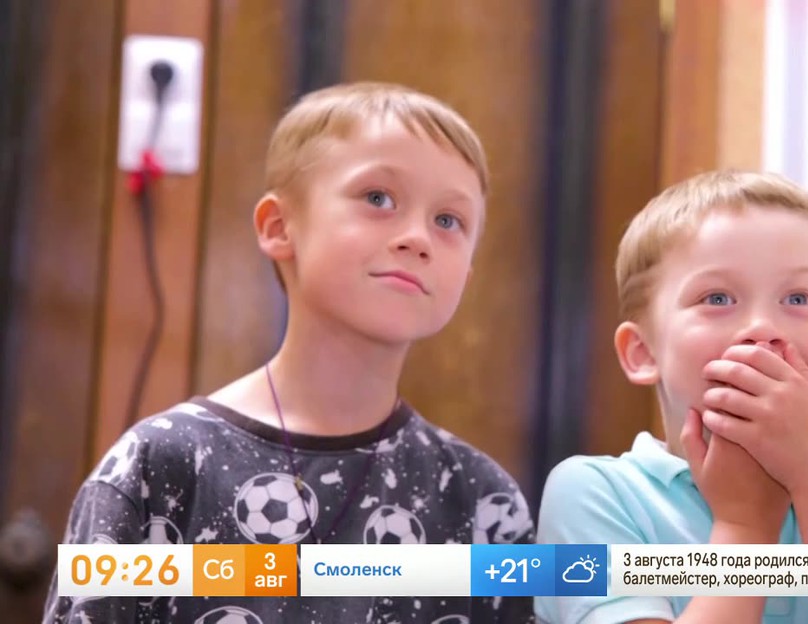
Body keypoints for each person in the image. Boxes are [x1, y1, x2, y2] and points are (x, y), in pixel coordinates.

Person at [44, 82, 535, 623]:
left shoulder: (483, 502)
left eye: (448, 221)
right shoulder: (159, 467)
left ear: (467, 273)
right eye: (378, 198)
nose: (417, 237)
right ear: (279, 228)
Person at [535, 170, 808, 624]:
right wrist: (744, 527)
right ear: (643, 352)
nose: (762, 327)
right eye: (716, 298)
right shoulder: (594, 494)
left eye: (798, 298)